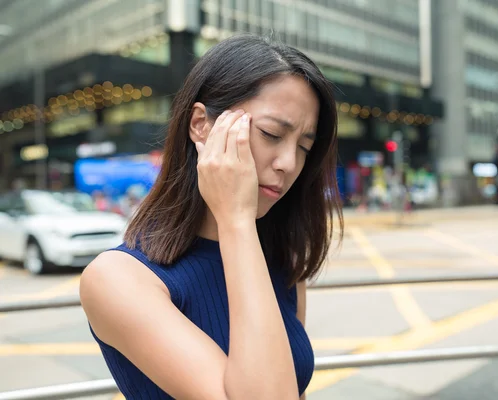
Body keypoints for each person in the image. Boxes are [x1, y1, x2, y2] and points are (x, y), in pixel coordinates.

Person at [79, 33, 343, 400]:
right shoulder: (118, 279)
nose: (288, 164)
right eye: (270, 134)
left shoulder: (279, 256)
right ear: (201, 124)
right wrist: (236, 220)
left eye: (303, 147)